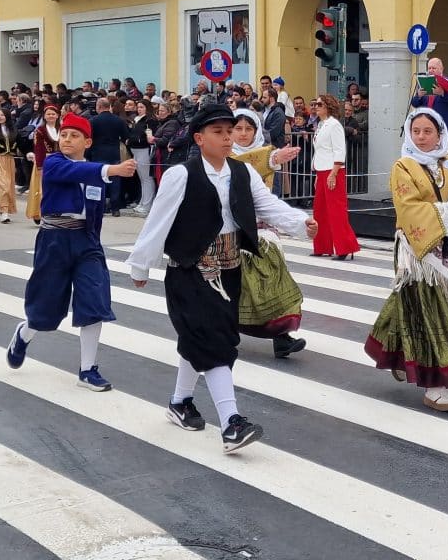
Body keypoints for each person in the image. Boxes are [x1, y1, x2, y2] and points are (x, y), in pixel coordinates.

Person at [125, 104, 318, 452]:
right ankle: (232, 423)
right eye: (219, 132)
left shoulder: (242, 173)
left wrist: (299, 222)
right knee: (214, 343)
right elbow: (158, 222)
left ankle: (180, 401)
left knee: (203, 338)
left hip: (230, 270)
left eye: (230, 131)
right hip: (190, 271)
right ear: (199, 138)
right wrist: (141, 265)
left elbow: (267, 206)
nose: (228, 137)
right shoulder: (181, 175)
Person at [365, 111, 448, 411]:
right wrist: (446, 209)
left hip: (445, 250)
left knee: (420, 306)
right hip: (416, 250)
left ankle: (395, 353)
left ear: (440, 133)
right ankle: (436, 382)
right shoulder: (403, 166)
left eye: (428, 131)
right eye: (416, 131)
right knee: (429, 311)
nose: (422, 136)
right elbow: (408, 207)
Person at [6, 114, 137, 389]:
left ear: (87, 141)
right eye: (64, 135)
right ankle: (25, 333)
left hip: (86, 241)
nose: (66, 140)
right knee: (46, 306)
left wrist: (94, 241)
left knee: (94, 301)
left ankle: (87, 369)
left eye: (74, 136)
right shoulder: (54, 163)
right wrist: (112, 169)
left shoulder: (93, 170)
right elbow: (74, 173)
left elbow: (96, 208)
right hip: (54, 238)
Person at [226, 108, 308, 357]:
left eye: (248, 129)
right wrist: (272, 158)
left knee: (274, 280)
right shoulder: (223, 156)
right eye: (237, 129)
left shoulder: (265, 152)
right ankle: (226, 332)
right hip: (230, 230)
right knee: (232, 287)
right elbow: (242, 165)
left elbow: (267, 198)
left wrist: (299, 222)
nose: (242, 134)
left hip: (262, 229)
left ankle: (281, 337)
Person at [311, 93, 360, 260]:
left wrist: (333, 173)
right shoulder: (321, 125)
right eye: (316, 104)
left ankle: (344, 247)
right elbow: (320, 150)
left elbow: (340, 150)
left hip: (334, 171)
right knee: (320, 211)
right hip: (322, 170)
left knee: (336, 211)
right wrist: (318, 173)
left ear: (327, 107)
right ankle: (322, 246)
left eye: (319, 104)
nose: (316, 107)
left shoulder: (334, 125)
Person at [88, 97, 129, 216]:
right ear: (109, 107)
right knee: (115, 179)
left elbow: (89, 137)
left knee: (99, 179)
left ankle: (101, 206)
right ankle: (115, 207)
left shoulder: (93, 120)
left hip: (98, 153)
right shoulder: (118, 120)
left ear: (99, 107)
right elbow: (126, 136)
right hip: (114, 153)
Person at [25, 104, 60, 224]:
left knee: (57, 187)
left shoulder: (62, 128)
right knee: (42, 188)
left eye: (53, 114)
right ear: (44, 116)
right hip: (45, 161)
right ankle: (41, 212)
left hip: (60, 161)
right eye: (48, 114)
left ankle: (55, 211)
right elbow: (38, 149)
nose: (51, 116)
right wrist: (40, 166)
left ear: (57, 115)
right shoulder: (40, 130)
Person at [411, 57, 448, 136]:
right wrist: (419, 96)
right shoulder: (424, 82)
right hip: (426, 126)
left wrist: (442, 93)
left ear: (441, 69)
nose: (431, 70)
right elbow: (414, 104)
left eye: (434, 68)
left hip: (444, 126)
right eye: (429, 68)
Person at [128, 100, 156, 215]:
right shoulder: (136, 120)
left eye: (142, 107)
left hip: (144, 149)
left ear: (147, 108)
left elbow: (149, 135)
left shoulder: (149, 120)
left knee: (147, 178)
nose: (139, 109)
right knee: (142, 178)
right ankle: (142, 202)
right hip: (135, 149)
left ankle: (147, 205)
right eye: (138, 107)